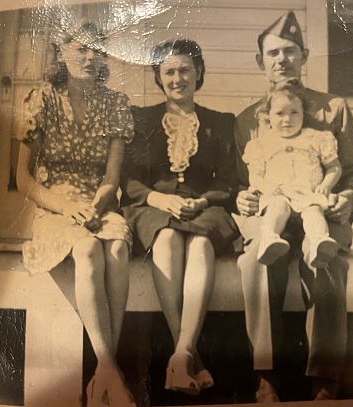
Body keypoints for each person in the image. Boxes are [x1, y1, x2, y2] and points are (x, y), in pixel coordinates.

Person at [234, 11, 353, 401]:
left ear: (304, 56)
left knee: (327, 261)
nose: (282, 60)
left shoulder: (333, 109)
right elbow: (241, 180)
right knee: (255, 262)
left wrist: (347, 198)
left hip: (320, 212)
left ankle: (324, 382)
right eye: (273, 53)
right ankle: (266, 378)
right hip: (273, 214)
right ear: (260, 61)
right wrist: (242, 196)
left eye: (290, 51)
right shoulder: (247, 120)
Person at [16, 21, 135, 407]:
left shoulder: (115, 104)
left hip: (98, 202)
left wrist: (98, 204)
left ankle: (104, 373)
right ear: (61, 52)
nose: (89, 57)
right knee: (87, 249)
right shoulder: (42, 99)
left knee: (117, 244)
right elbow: (22, 179)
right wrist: (68, 207)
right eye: (80, 49)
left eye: (96, 50)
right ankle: (110, 370)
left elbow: (112, 178)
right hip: (55, 206)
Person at [121, 39, 239, 396]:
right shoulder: (141, 120)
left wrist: (202, 200)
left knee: (201, 244)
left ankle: (181, 353)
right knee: (168, 238)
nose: (178, 78)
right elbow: (129, 178)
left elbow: (229, 181)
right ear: (158, 77)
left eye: (185, 70)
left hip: (204, 208)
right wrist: (159, 198)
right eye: (169, 71)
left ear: (199, 72)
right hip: (153, 207)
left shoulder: (221, 122)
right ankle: (187, 354)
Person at [243, 82, 342, 268]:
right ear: (268, 115)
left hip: (308, 195)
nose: (287, 119)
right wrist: (267, 188)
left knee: (314, 211)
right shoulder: (262, 144)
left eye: (294, 112)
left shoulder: (316, 138)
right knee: (277, 207)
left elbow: (334, 167)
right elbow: (255, 175)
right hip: (278, 194)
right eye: (280, 113)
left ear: (304, 113)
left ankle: (319, 243)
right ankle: (270, 239)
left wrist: (326, 185)